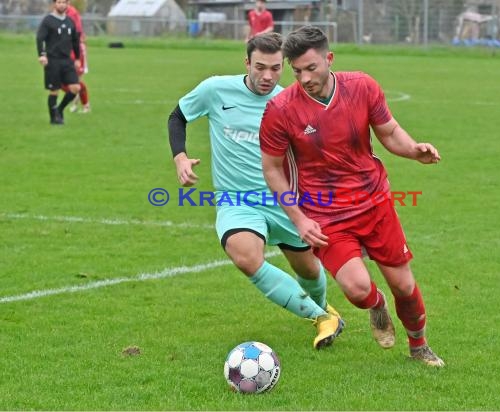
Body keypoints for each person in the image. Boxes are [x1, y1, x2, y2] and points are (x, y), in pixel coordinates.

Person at [260, 26, 445, 367]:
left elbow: (389, 131)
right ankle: (377, 306)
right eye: (296, 70)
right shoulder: (281, 109)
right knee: (359, 289)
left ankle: (419, 346)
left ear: (329, 59)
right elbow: (272, 169)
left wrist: (413, 150)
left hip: (374, 203)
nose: (304, 78)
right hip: (326, 214)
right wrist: (299, 219)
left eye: (311, 68)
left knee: (404, 286)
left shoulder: (362, 87)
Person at [167, 32, 343, 349]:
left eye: (275, 69)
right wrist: (180, 157)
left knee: (309, 270)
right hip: (237, 200)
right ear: (247, 62)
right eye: (260, 67)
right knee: (246, 257)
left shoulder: (290, 103)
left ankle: (323, 309)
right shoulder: (216, 90)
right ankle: (321, 318)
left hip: (284, 202)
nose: (267, 76)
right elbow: (178, 115)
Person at [36, 0, 81, 125]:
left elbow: (75, 41)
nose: (62, 4)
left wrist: (77, 58)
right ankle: (53, 119)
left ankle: (60, 110)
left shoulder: (70, 22)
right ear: (55, 4)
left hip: (67, 60)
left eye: (64, 2)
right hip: (53, 60)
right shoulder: (48, 21)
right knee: (54, 90)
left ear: (68, 4)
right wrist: (42, 55)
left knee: (75, 87)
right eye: (59, 2)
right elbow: (40, 38)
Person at [64, 2, 91, 114]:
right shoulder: (61, 12)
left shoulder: (72, 13)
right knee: (70, 79)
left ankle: (85, 106)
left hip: (76, 49)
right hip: (67, 48)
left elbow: (75, 32)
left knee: (76, 79)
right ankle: (76, 104)